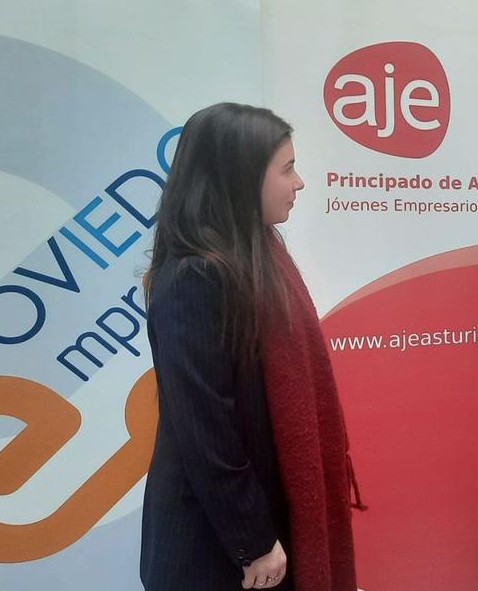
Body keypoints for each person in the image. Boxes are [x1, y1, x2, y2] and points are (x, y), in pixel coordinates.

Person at [140, 103, 362, 591]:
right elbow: (205, 429)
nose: (299, 182)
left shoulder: (263, 256)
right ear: (238, 178)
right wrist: (253, 541)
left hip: (261, 519)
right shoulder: (194, 278)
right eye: (286, 169)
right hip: (215, 546)